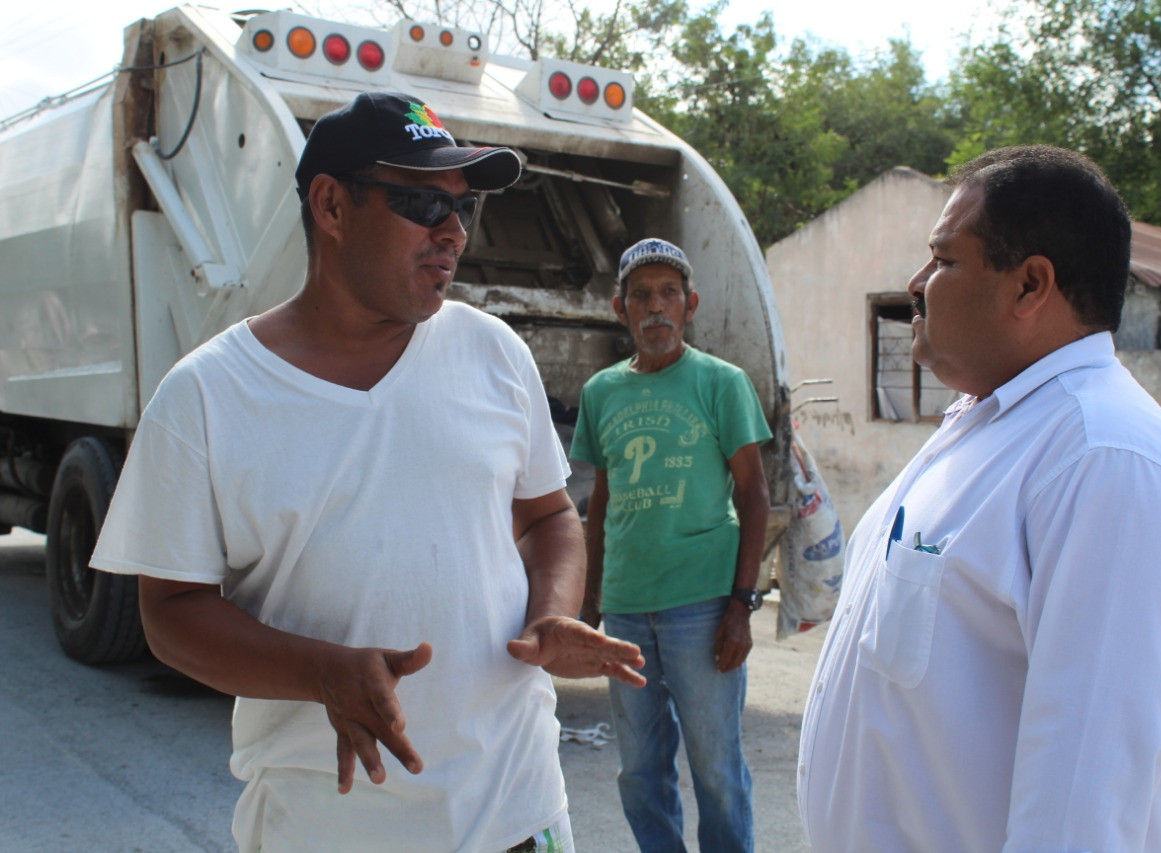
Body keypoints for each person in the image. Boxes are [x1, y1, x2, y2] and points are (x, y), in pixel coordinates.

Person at [89, 91, 645, 853]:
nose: (452, 232)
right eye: (421, 202)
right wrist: (320, 670)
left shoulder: (493, 353)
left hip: (519, 811)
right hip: (326, 827)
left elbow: (550, 516)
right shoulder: (208, 395)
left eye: (463, 210)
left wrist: (550, 610)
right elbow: (171, 612)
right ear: (331, 206)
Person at [797, 145, 1161, 851]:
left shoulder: (1107, 462)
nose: (916, 282)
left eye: (943, 259)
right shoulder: (989, 426)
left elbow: (1081, 809)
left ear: (1030, 285)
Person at [570, 238, 772, 852]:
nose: (655, 307)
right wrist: (590, 597)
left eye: (668, 294)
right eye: (641, 296)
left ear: (691, 305)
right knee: (639, 771)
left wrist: (741, 603)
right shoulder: (602, 392)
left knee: (716, 768)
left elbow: (754, 494)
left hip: (703, 606)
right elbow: (599, 503)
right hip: (628, 607)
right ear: (619, 309)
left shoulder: (721, 382)